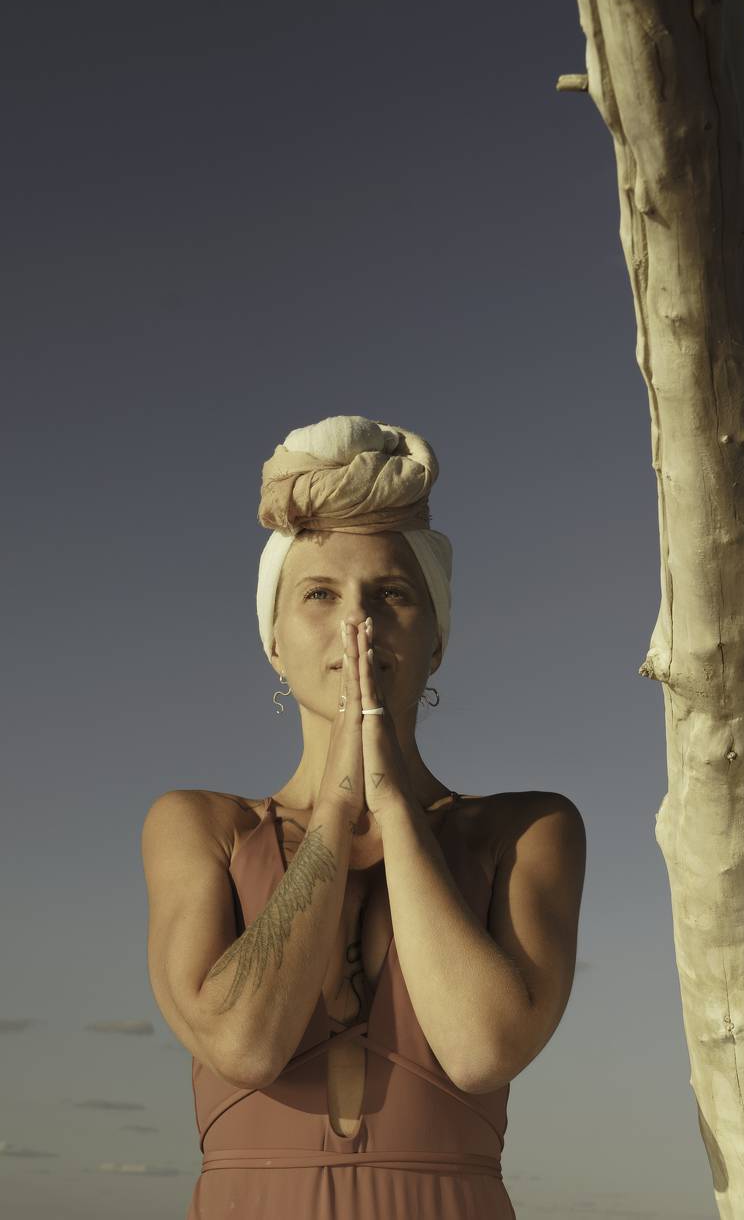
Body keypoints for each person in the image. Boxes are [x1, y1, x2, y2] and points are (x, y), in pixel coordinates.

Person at [140, 415, 585, 1218]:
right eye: (320, 594)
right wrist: (338, 804)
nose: (360, 625)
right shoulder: (199, 826)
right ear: (274, 642)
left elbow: (480, 1050)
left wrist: (393, 804)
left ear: (435, 640)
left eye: (392, 595)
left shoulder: (525, 830)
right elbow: (245, 1044)